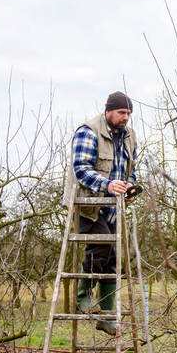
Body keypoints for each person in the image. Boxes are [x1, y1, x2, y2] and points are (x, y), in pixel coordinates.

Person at [62, 91, 137, 335]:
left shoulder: (129, 137)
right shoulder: (88, 131)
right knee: (100, 247)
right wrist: (107, 184)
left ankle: (106, 317)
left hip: (114, 207)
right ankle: (82, 296)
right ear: (108, 111)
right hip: (89, 204)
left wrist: (130, 185)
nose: (125, 117)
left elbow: (131, 170)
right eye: (121, 113)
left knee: (114, 259)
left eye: (128, 113)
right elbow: (80, 169)